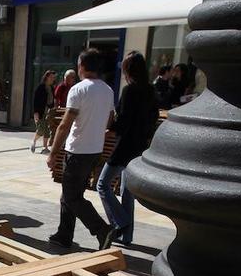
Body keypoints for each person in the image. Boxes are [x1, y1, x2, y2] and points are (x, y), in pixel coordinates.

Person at [46, 48, 117, 250]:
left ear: (82, 66)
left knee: (72, 197)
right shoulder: (107, 90)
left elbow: (64, 124)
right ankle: (64, 235)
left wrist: (52, 153)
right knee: (69, 194)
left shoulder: (78, 89)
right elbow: (110, 120)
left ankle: (102, 230)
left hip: (77, 150)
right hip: (95, 150)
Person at [96, 52, 158, 246]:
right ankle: (127, 236)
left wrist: (110, 127)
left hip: (125, 146)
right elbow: (153, 117)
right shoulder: (150, 90)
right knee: (127, 191)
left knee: (102, 184)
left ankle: (120, 223)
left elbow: (123, 121)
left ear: (127, 69)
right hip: (140, 146)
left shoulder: (129, 91)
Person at [31, 70, 57, 153]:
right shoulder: (41, 87)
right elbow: (35, 100)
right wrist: (36, 112)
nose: (53, 79)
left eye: (54, 77)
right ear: (47, 77)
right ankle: (34, 141)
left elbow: (52, 100)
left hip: (49, 112)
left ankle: (45, 147)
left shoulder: (52, 88)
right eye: (51, 77)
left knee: (47, 130)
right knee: (41, 129)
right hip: (41, 111)